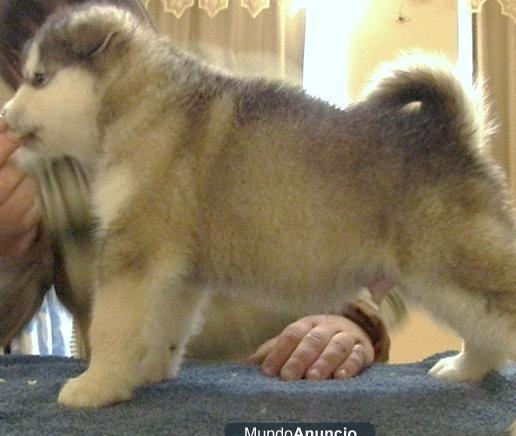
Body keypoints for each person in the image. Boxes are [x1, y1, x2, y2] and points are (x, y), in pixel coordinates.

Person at [0, 0, 405, 381]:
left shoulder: (260, 101)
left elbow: (385, 232)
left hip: (300, 394)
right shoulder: (36, 168)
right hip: (135, 405)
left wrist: (356, 319)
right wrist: (7, 252)